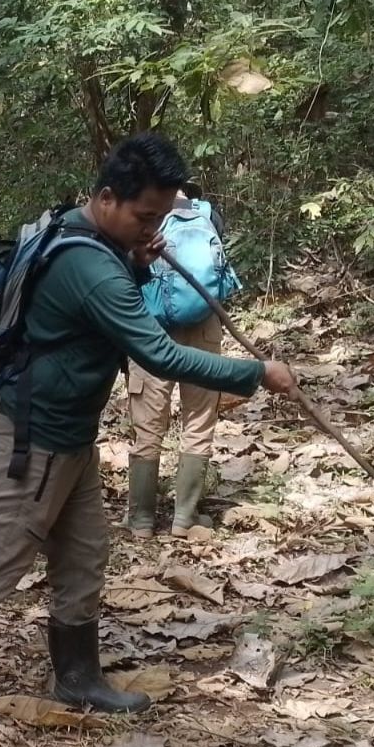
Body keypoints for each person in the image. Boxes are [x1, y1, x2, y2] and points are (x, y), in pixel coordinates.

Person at [0, 135, 299, 742]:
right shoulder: (89, 264)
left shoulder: (87, 237)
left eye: (160, 217)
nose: (153, 228)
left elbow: (89, 318)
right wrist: (256, 372)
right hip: (35, 437)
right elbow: (157, 353)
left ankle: (77, 677)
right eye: (144, 216)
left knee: (84, 553)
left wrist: (139, 259)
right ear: (106, 198)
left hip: (70, 433)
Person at [124, 184, 231, 538]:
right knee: (198, 421)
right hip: (203, 324)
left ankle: (141, 519)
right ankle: (185, 517)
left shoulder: (141, 217)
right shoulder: (208, 216)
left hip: (151, 328)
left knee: (148, 425)